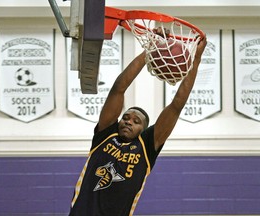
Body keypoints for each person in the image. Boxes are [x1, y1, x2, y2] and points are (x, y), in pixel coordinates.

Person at [68, 32, 207, 216]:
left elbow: (176, 105)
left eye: (136, 121)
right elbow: (119, 88)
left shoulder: (145, 147)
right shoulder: (106, 135)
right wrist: (150, 49)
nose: (128, 122)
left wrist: (196, 59)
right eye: (126, 118)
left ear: (143, 129)